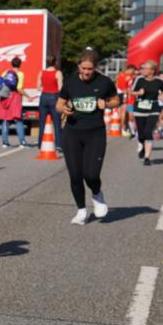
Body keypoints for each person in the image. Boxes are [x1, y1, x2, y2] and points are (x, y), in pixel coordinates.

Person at [57, 49, 119, 224]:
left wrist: (105, 103)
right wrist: (64, 109)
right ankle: (81, 210)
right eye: (83, 68)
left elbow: (116, 100)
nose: (86, 72)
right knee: (75, 174)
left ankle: (97, 194)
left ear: (95, 68)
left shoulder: (105, 82)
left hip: (95, 133)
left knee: (91, 174)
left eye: (90, 69)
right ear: (78, 66)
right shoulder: (70, 82)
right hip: (72, 132)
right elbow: (59, 104)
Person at [130, 60, 163, 166]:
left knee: (148, 131)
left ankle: (147, 157)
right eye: (142, 68)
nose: (142, 70)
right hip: (140, 109)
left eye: (145, 68)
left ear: (152, 71)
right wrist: (139, 93)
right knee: (141, 133)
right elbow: (130, 92)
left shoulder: (159, 81)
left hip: (153, 109)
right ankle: (142, 144)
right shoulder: (139, 79)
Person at [0, 57, 31, 148]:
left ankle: (5, 142)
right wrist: (28, 96)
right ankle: (22, 142)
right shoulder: (20, 74)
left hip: (5, 97)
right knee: (18, 119)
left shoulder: (5, 72)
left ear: (11, 64)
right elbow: (19, 88)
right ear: (20, 64)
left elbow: (1, 84)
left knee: (6, 119)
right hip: (15, 97)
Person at [36, 55, 63, 151]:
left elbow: (38, 87)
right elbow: (60, 88)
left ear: (46, 62)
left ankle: (40, 144)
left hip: (44, 97)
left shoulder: (41, 72)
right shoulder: (58, 73)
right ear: (55, 62)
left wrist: (45, 88)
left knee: (42, 122)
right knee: (57, 122)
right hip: (54, 97)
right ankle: (59, 144)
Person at [114, 64, 136, 138]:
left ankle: (126, 129)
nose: (134, 72)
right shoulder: (125, 76)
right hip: (124, 97)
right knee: (124, 113)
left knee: (127, 114)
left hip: (127, 97)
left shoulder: (126, 76)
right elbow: (122, 88)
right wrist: (125, 96)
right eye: (133, 70)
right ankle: (123, 129)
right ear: (130, 69)